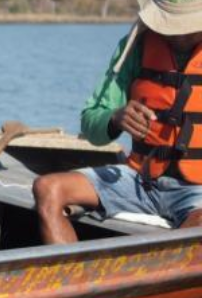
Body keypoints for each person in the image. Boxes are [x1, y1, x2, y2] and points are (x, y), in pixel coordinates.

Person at [34, 0, 202, 244]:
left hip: (197, 193)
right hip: (139, 180)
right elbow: (90, 121)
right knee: (47, 189)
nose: (180, 36)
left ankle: (162, 277)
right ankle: (78, 280)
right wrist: (115, 118)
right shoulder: (134, 46)